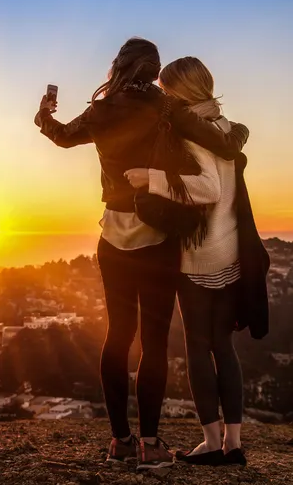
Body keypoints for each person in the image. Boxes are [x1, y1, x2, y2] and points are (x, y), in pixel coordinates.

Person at [34, 38, 249, 471]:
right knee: (153, 344)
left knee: (117, 336)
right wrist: (238, 133)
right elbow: (223, 143)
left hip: (112, 237)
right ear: (155, 71)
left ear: (119, 65)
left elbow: (59, 137)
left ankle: (120, 441)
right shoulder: (166, 108)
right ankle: (150, 445)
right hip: (158, 237)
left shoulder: (100, 111)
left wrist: (44, 113)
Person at [126, 56, 262, 467]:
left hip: (199, 256)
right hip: (231, 252)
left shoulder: (191, 131)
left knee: (198, 349)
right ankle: (233, 444)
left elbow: (207, 189)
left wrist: (150, 177)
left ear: (180, 92)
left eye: (166, 91)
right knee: (225, 346)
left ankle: (210, 442)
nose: (163, 98)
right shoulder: (223, 126)